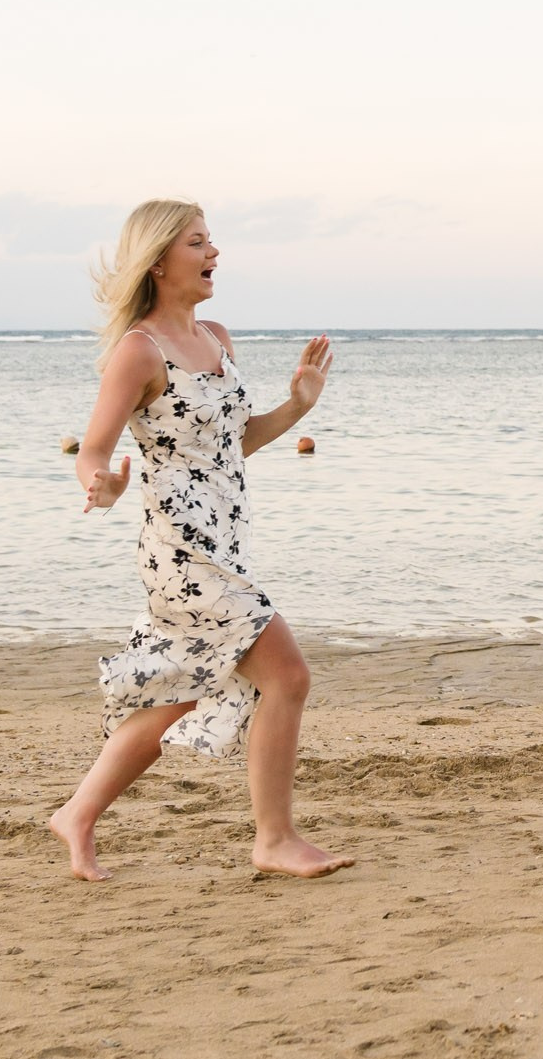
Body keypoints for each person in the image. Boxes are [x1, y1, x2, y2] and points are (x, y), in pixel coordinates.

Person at [48, 198, 352, 881]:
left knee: (180, 694)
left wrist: (296, 407)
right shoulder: (139, 351)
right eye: (197, 242)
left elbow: (235, 444)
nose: (213, 252)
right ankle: (273, 838)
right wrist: (103, 484)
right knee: (288, 674)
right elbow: (93, 447)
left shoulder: (217, 336)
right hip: (180, 548)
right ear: (159, 261)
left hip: (227, 537)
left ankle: (78, 812)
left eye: (212, 240)